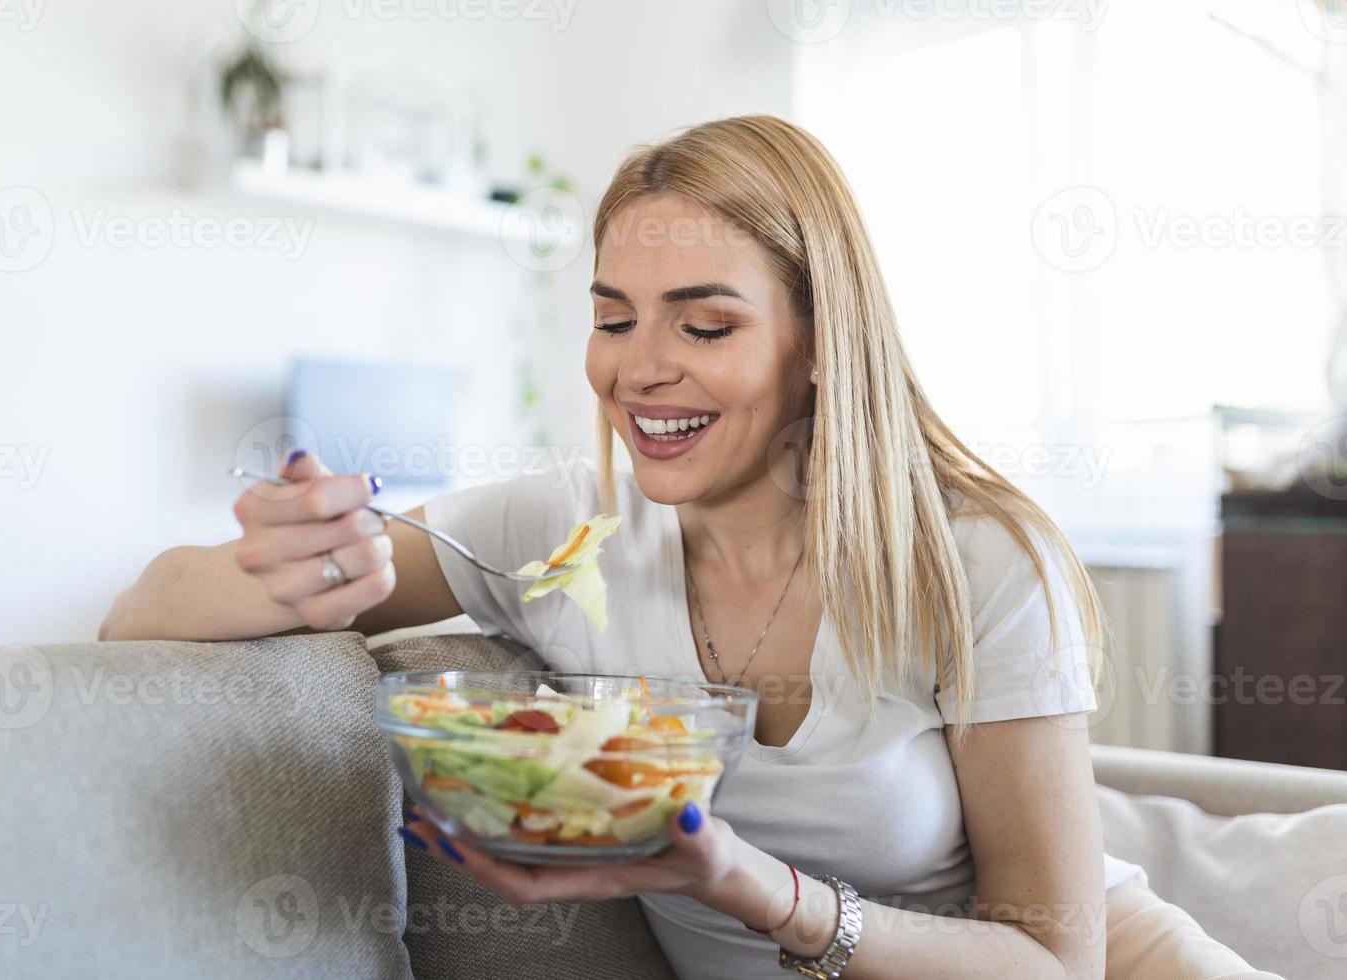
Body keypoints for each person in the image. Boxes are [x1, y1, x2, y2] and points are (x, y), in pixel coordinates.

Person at [102, 115, 1281, 979]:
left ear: (820, 343)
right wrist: (296, 558)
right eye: (612, 316)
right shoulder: (565, 529)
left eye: (703, 322)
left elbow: (1056, 959)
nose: (638, 365)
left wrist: (752, 888)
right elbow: (144, 611)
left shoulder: (973, 561)